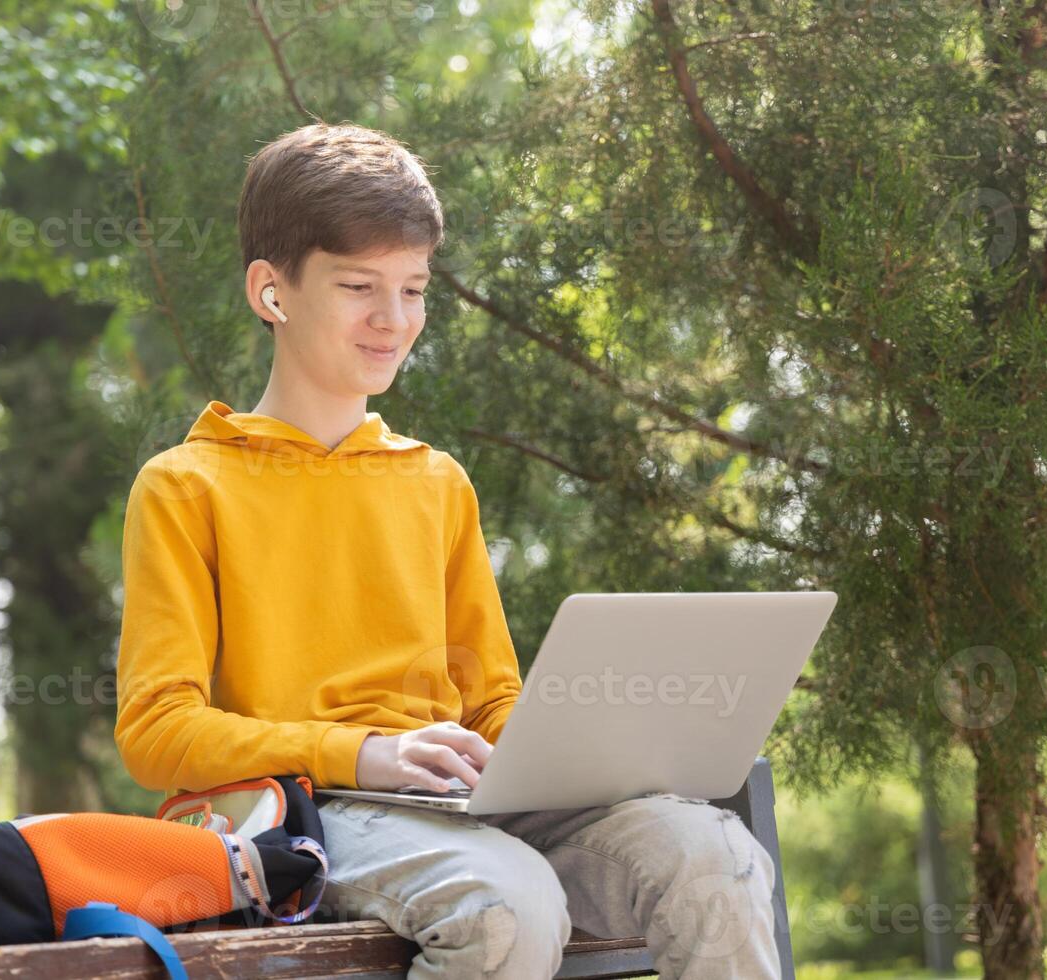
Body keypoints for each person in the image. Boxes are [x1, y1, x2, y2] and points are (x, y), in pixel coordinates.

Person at [113, 121, 780, 979]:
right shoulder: (186, 486)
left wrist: (571, 754)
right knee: (502, 912)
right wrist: (363, 753)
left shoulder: (435, 483)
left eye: (415, 289)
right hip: (312, 811)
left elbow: (491, 697)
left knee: (712, 854)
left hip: (469, 808)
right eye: (360, 287)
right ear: (271, 292)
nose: (394, 321)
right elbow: (157, 732)